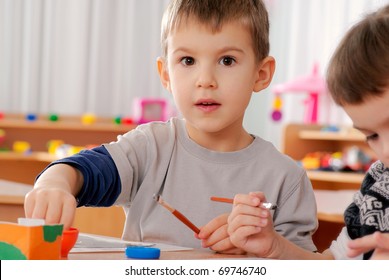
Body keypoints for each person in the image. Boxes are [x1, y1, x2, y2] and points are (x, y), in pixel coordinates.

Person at [24, 0, 318, 253]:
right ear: (166, 74)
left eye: (227, 60)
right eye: (187, 60)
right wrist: (55, 184)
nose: (205, 80)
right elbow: (87, 170)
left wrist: (268, 247)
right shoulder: (150, 147)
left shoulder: (287, 179)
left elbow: (307, 268)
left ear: (261, 74)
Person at [227, 4, 389, 259]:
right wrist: (274, 246)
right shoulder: (379, 185)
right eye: (372, 135)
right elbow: (331, 264)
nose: (386, 150)